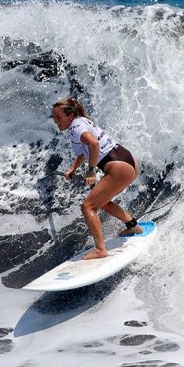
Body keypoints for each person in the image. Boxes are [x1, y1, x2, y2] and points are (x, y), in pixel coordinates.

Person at [51, 97, 143, 260]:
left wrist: (91, 171)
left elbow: (93, 144)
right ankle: (132, 225)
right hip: (128, 161)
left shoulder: (76, 127)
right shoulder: (82, 121)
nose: (55, 120)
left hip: (118, 167)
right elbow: (85, 149)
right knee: (101, 201)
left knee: (87, 207)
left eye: (58, 117)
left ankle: (101, 249)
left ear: (70, 116)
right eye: (54, 117)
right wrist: (73, 168)